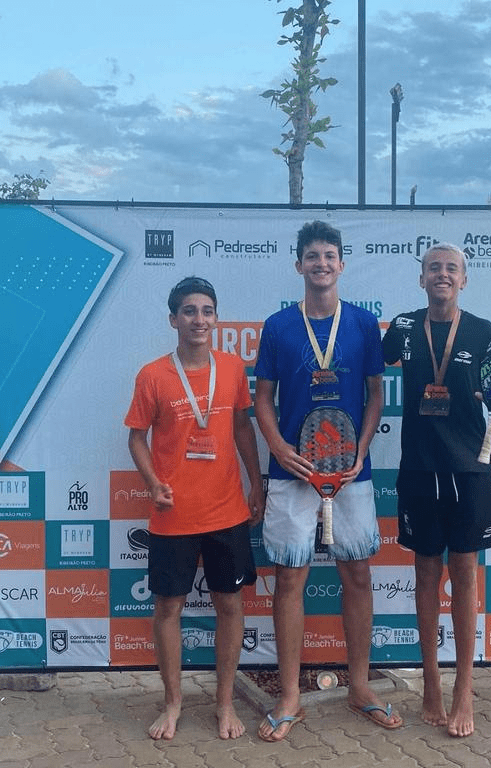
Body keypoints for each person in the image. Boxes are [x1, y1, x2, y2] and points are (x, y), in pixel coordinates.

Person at [254, 220, 403, 742]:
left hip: (350, 473)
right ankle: (291, 695)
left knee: (357, 576)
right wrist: (277, 447)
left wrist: (361, 449)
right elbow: (262, 399)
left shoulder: (364, 325)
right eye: (312, 256)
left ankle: (360, 687)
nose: (321, 263)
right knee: (290, 580)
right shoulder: (277, 327)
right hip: (291, 472)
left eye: (329, 256)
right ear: (298, 265)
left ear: (342, 264)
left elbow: (376, 396)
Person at [382, 243, 491, 737]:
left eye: (451, 269)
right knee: (424, 574)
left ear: (464, 280)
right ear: (421, 280)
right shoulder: (401, 327)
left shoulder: (484, 332)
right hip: (418, 468)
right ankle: (432, 684)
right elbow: (371, 368)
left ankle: (464, 689)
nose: (442, 275)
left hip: (469, 469)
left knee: (464, 574)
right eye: (433, 268)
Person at [124, 276, 264, 741]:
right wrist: (152, 484)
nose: (198, 319)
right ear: (173, 319)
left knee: (229, 605)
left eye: (206, 310)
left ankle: (224, 704)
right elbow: (136, 437)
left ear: (216, 319)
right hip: (173, 515)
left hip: (227, 512)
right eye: (189, 311)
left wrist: (256, 482)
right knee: (169, 607)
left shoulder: (233, 369)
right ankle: (173, 702)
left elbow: (244, 428)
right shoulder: (152, 375)